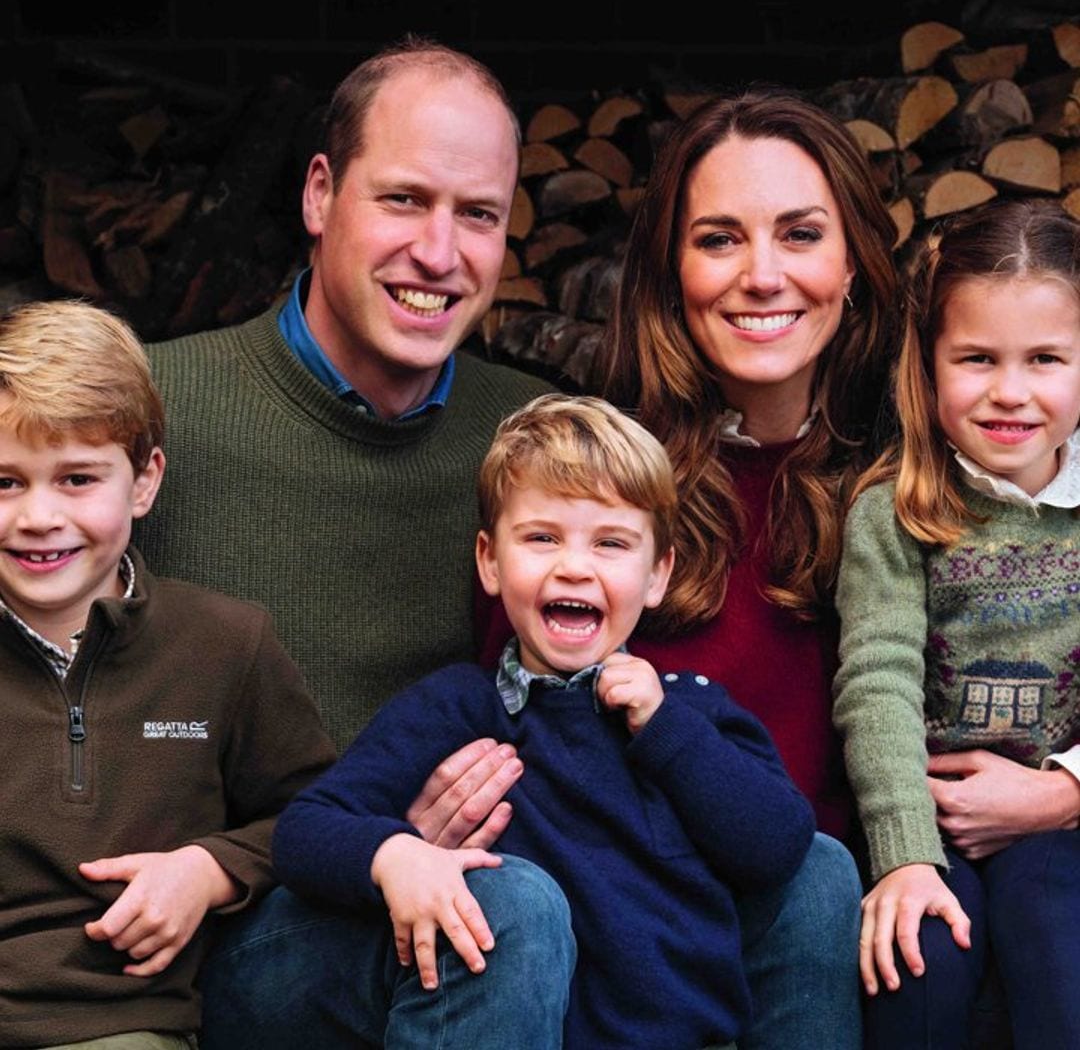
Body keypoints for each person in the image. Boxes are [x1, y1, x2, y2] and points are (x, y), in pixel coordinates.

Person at [272, 394, 816, 1050]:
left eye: (612, 543)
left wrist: (667, 730)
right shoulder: (458, 709)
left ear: (657, 575)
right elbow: (305, 831)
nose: (574, 566)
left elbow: (781, 847)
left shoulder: (689, 711)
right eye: (541, 538)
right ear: (490, 562)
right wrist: (396, 857)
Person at [136, 40, 551, 752]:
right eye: (404, 199)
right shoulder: (149, 412)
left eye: (479, 214)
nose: (439, 253)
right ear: (319, 194)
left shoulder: (544, 444)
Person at [598, 88, 901, 1048]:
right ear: (670, 272)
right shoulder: (601, 485)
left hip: (853, 933)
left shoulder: (925, 477)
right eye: (720, 239)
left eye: (800, 235)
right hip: (645, 924)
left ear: (853, 264)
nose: (762, 276)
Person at [0, 300, 335, 1048]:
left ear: (144, 481)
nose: (38, 516)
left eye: (78, 478)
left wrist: (209, 868)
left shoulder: (223, 645)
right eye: (7, 482)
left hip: (121, 1026)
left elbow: (318, 815)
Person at [833, 200, 1080, 1050]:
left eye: (1044, 359)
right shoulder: (896, 510)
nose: (1010, 391)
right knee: (918, 960)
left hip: (1061, 820)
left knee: (1057, 941)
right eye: (977, 359)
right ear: (929, 365)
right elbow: (878, 678)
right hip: (926, 817)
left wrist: (1070, 791)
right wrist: (903, 853)